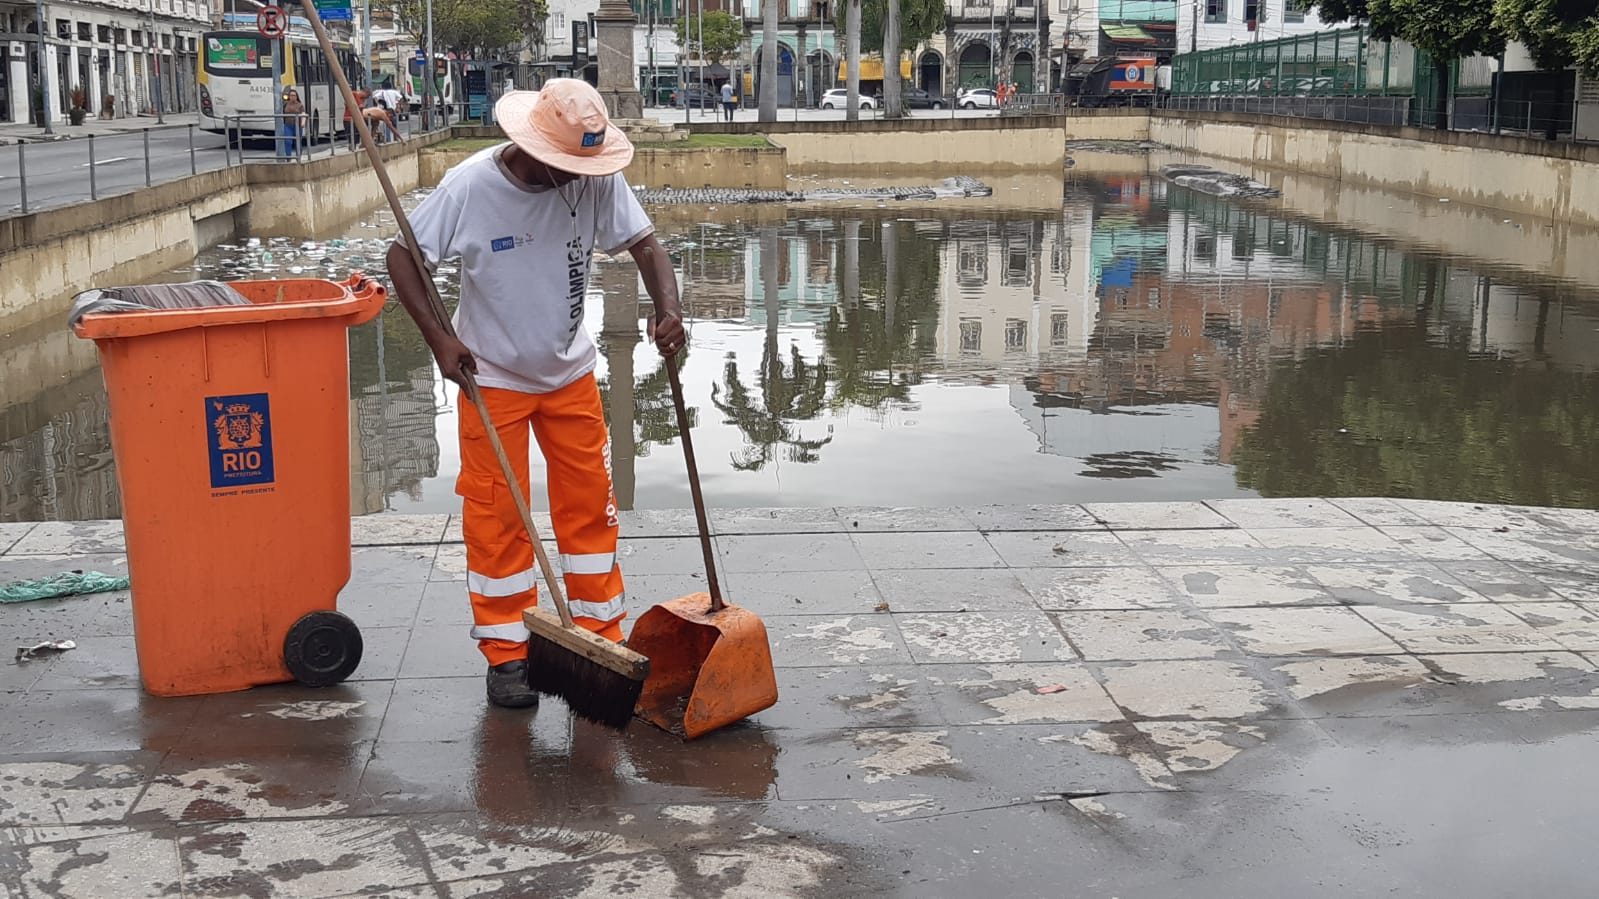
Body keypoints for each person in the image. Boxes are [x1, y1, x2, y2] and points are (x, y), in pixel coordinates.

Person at [384, 78, 685, 709]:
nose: (577, 178)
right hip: (489, 376)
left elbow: (646, 245)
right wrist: (440, 340)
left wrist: (669, 309)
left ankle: (599, 635)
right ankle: (507, 653)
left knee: (592, 507)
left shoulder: (595, 179)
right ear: (533, 149)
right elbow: (403, 258)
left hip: (569, 374)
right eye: (565, 165)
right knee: (498, 517)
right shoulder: (470, 187)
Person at [279, 89, 305, 158]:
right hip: (288, 125)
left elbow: (303, 114)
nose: (292, 97)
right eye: (291, 95)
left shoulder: (300, 105)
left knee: (298, 142)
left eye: (294, 95)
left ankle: (298, 156)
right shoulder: (285, 104)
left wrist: (303, 123)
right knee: (288, 141)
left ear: (296, 96)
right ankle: (288, 157)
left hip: (298, 126)